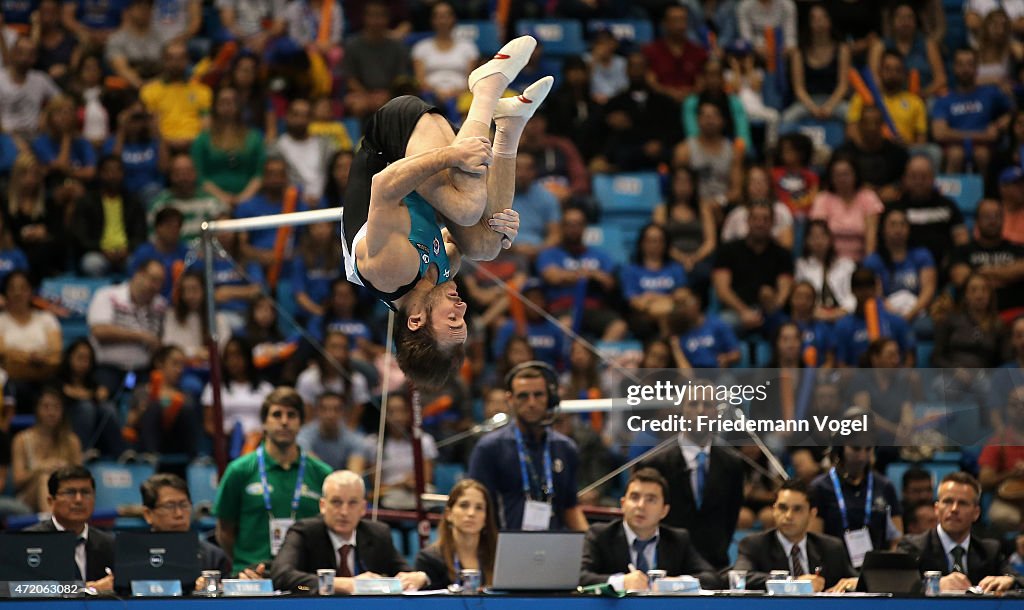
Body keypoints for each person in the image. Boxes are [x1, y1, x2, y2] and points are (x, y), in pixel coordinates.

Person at [340, 37, 545, 390]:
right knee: (486, 245)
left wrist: (453, 157)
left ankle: (486, 88)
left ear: (416, 319)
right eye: (462, 320)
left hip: (393, 139)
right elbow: (470, 238)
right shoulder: (441, 273)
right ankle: (509, 127)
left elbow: (384, 185)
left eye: (452, 320)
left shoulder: (390, 270)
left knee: (465, 208)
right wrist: (504, 226)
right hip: (419, 174)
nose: (462, 308)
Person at [214, 387, 332, 576]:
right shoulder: (239, 470)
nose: (284, 422)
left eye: (291, 415)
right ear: (264, 423)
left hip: (304, 579)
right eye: (277, 415)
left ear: (301, 422)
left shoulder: (322, 473)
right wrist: (246, 563)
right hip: (251, 577)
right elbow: (225, 530)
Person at [637, 378, 745, 569]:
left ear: (717, 413)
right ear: (682, 409)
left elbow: (730, 519)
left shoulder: (733, 464)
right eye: (694, 404)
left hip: (716, 568)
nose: (701, 411)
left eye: (708, 405)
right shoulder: (654, 464)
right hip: (667, 570)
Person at [468, 362, 587, 531]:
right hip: (505, 548)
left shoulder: (566, 448)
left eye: (538, 395)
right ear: (510, 399)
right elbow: (476, 507)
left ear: (550, 398)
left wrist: (591, 545)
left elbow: (570, 507)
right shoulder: (490, 448)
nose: (531, 403)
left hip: (555, 548)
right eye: (523, 396)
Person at [270, 470, 429, 593]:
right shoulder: (304, 532)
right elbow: (282, 578)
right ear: (323, 506)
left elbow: (404, 575)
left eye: (352, 503)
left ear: (362, 508)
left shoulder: (378, 534)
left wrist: (418, 577)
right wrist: (346, 584)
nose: (344, 511)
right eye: (336, 502)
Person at [580, 467, 720, 591]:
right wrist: (622, 582)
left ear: (664, 511)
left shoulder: (677, 539)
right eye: (634, 497)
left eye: (651, 499)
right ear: (623, 504)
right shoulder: (600, 535)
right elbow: (581, 577)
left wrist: (674, 583)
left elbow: (711, 578)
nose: (640, 505)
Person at [898, 472, 1022, 593]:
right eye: (947, 502)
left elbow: (1019, 580)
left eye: (962, 503)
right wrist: (935, 584)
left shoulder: (989, 551)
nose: (954, 509)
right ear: (936, 509)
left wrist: (1010, 581)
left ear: (976, 513)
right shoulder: (913, 547)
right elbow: (899, 585)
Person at [733, 478, 856, 592]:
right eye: (782, 508)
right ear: (774, 510)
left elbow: (856, 579)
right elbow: (740, 578)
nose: (788, 516)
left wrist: (854, 583)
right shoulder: (754, 545)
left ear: (812, 513)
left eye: (797, 509)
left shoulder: (831, 548)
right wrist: (793, 583)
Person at [808, 426, 903, 564]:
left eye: (868, 449)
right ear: (841, 448)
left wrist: (886, 568)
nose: (862, 456)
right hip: (833, 569)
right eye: (856, 448)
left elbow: (896, 541)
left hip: (875, 570)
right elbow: (814, 541)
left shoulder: (884, 486)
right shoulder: (820, 487)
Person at [538, 207, 627, 341]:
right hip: (563, 307)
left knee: (619, 326)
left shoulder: (601, 255)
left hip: (593, 308)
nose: (574, 229)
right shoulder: (549, 254)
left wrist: (581, 275)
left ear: (585, 227)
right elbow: (553, 277)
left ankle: (598, 360)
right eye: (569, 224)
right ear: (562, 227)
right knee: (565, 325)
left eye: (578, 224)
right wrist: (589, 275)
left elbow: (609, 282)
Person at [25, 465, 114, 590]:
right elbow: (18, 589)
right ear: (51, 501)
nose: (79, 500)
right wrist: (89, 589)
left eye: (86, 492)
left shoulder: (109, 545)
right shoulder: (29, 541)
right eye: (70, 493)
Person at [87, 259, 167, 394]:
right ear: (138, 275)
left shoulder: (160, 305)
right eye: (153, 280)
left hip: (143, 370)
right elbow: (99, 331)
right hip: (108, 368)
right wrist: (141, 337)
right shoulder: (108, 295)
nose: (155, 286)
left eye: (160, 282)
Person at [712, 201, 794, 334]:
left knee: (790, 331)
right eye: (755, 218)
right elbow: (722, 290)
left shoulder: (782, 254)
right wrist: (744, 312)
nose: (760, 223)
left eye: (765, 219)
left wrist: (772, 307)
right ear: (748, 221)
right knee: (718, 326)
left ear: (772, 223)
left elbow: (784, 291)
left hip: (770, 312)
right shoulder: (728, 250)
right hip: (736, 312)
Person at [932, 47, 1012, 175]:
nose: (965, 69)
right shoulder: (944, 99)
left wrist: (1000, 124)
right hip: (955, 147)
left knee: (982, 154)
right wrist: (983, 136)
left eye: (970, 64)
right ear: (954, 68)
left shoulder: (990, 93)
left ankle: (986, 193)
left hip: (985, 148)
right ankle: (950, 194)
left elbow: (1013, 111)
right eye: (961, 64)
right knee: (956, 154)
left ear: (976, 68)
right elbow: (939, 133)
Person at [140, 473, 232, 580]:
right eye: (169, 506)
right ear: (148, 514)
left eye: (184, 505)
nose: (179, 514)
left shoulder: (213, 556)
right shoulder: (132, 555)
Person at [70, 155, 147, 277]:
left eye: (117, 171)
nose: (113, 175)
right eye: (108, 171)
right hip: (98, 253)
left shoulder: (133, 202)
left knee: (138, 262)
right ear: (100, 174)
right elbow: (81, 237)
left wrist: (127, 249)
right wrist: (102, 250)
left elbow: (140, 234)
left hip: (127, 253)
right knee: (92, 263)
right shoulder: (87, 202)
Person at [415, 478, 498, 590]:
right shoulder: (429, 560)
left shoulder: (499, 558)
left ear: (486, 519)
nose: (471, 513)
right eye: (464, 505)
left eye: (479, 508)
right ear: (449, 514)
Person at [949, 198, 1024, 319]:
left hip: (1014, 316)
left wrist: (979, 273)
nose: (992, 221)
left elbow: (1021, 269)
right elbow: (960, 278)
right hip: (971, 319)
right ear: (976, 221)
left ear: (1003, 219)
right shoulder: (963, 250)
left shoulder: (1017, 249)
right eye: (987, 216)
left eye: (997, 216)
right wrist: (1006, 276)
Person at [192, 87, 266, 210]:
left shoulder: (254, 137)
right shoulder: (203, 139)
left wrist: (243, 198)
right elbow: (199, 176)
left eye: (232, 102)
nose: (227, 106)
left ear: (239, 106)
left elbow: (259, 174)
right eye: (223, 102)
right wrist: (222, 197)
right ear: (215, 106)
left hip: (249, 198)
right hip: (210, 199)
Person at [863, 208, 937, 330]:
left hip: (917, 312)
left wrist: (910, 314)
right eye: (893, 224)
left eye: (902, 224)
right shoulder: (873, 260)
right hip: (887, 313)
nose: (898, 229)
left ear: (909, 229)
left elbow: (928, 290)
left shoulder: (922, 255)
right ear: (883, 229)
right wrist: (896, 317)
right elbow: (876, 295)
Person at [12, 388, 82, 512]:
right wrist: (40, 468)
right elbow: (18, 481)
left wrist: (65, 471)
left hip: (64, 494)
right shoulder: (21, 440)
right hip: (29, 496)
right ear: (37, 409)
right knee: (45, 478)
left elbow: (81, 479)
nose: (51, 412)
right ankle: (52, 526)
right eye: (46, 407)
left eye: (56, 407)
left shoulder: (72, 441)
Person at [892, 155, 969, 268]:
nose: (919, 181)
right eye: (913, 176)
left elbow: (962, 239)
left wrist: (954, 261)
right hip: (905, 269)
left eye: (924, 177)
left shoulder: (947, 205)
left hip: (944, 268)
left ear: (933, 178)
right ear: (905, 179)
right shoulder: (896, 208)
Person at [364, 393, 437, 510]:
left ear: (409, 413)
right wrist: (400, 484)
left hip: (416, 492)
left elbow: (427, 478)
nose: (397, 417)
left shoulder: (424, 440)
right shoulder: (373, 443)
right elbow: (376, 486)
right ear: (384, 415)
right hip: (389, 494)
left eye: (401, 411)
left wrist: (413, 482)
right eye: (391, 412)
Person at [832, 266, 916, 367]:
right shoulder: (843, 326)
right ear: (852, 290)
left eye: (869, 287)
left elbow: (909, 357)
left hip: (893, 377)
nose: (865, 293)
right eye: (860, 288)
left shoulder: (896, 322)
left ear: (875, 289)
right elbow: (841, 364)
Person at [782, 4, 850, 126]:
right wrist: (813, 108)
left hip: (835, 101)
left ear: (830, 21)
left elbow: (843, 86)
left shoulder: (842, 49)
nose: (819, 22)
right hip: (807, 102)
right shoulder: (798, 53)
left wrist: (829, 107)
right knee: (787, 118)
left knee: (852, 116)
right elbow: (799, 89)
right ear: (809, 23)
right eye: (814, 19)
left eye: (823, 18)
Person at [139, 41, 212, 151]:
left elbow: (206, 124)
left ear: (187, 61)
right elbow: (152, 125)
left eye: (180, 58)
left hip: (195, 144)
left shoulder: (202, 91)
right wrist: (167, 143)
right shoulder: (149, 91)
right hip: (163, 145)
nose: (176, 63)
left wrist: (195, 141)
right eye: (171, 58)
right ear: (163, 61)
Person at [809, 154, 883, 262]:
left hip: (860, 261)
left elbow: (871, 238)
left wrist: (868, 265)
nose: (842, 179)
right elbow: (818, 237)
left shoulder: (868, 197)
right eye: (837, 175)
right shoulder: (823, 199)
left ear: (855, 174)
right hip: (830, 262)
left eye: (846, 174)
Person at [201, 337, 274, 441]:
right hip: (228, 440)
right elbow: (208, 424)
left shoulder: (265, 388)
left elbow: (274, 420)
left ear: (247, 357)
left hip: (259, 439)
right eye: (229, 357)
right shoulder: (214, 388)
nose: (233, 361)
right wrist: (225, 435)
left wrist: (261, 434)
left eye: (237, 355)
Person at [0, 270, 62, 385]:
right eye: (12, 288)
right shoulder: (1, 321)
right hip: (10, 380)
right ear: (6, 292)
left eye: (23, 288)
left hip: (45, 377)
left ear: (31, 291)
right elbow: (3, 352)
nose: (17, 293)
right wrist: (30, 357)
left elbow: (56, 351)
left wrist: (41, 357)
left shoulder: (47, 319)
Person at [269, 98, 336, 205]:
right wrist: (301, 198)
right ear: (286, 116)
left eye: (305, 115)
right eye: (296, 114)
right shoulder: (276, 148)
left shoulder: (326, 145)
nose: (300, 120)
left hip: (326, 201)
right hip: (292, 204)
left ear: (311, 119)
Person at [148, 154, 227, 242]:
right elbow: (153, 240)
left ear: (195, 173)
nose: (183, 177)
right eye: (178, 173)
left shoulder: (211, 202)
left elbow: (225, 234)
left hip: (204, 253)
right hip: (172, 254)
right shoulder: (159, 205)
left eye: (188, 172)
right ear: (170, 175)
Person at [978, 387, 1024, 533]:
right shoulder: (998, 441)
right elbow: (984, 482)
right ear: (1007, 409)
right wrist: (1011, 474)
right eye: (1014, 404)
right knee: (1001, 517)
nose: (1020, 408)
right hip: (1009, 502)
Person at [642, 5, 707, 102]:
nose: (679, 25)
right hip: (659, 102)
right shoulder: (651, 51)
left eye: (682, 20)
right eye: (674, 20)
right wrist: (670, 93)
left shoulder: (698, 52)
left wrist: (687, 94)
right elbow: (650, 81)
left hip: (691, 103)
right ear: (664, 23)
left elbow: (702, 82)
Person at [0, 37, 60, 139]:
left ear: (35, 58)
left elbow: (62, 100)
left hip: (34, 135)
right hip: (5, 136)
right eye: (21, 52)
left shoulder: (41, 79)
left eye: (30, 54)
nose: (25, 57)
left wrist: (46, 113)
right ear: (12, 53)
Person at [297, 392, 368, 473]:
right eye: (324, 409)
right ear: (317, 411)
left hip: (343, 483)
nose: (330, 414)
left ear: (344, 413)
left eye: (336, 409)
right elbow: (313, 466)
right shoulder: (303, 436)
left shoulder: (355, 440)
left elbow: (355, 473)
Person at [131, 207, 189, 299]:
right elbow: (134, 282)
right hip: (148, 302)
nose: (173, 231)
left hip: (177, 306)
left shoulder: (187, 254)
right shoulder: (143, 253)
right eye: (169, 226)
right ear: (158, 227)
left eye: (177, 227)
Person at [104, 0, 162, 89]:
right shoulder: (117, 39)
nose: (144, 11)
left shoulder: (161, 37)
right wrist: (142, 86)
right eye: (139, 7)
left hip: (157, 84)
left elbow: (166, 68)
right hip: (129, 86)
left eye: (148, 8)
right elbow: (121, 68)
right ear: (129, 11)